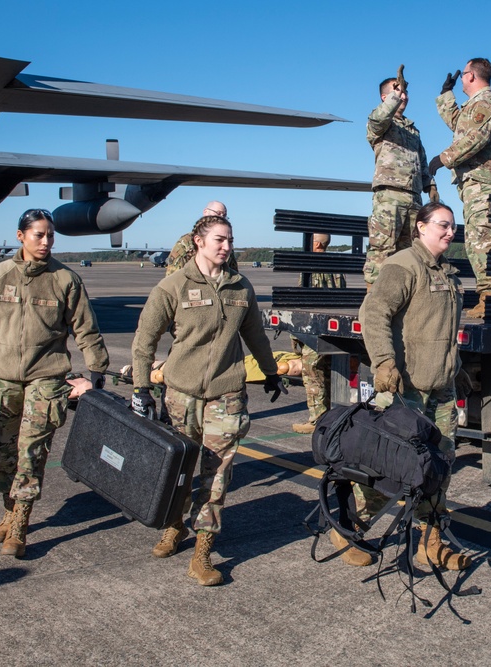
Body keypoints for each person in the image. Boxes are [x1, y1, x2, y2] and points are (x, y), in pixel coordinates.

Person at [130, 214, 287, 586]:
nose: (227, 247)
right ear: (198, 242)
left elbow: (255, 335)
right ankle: (174, 526)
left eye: (230, 240)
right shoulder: (172, 287)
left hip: (226, 395)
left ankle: (203, 550)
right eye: (219, 239)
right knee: (179, 470)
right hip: (181, 395)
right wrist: (140, 388)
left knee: (216, 476)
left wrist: (270, 372)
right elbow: (144, 342)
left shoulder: (240, 287)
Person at [0, 208, 109, 559]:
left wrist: (97, 366)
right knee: (5, 452)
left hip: (46, 376)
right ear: (21, 236)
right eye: (38, 235)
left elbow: (85, 327)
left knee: (31, 452)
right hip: (1, 378)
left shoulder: (65, 279)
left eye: (50, 235)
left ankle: (20, 524)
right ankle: (9, 509)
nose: (46, 242)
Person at [355, 201, 472, 570]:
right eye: (443, 225)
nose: (450, 232)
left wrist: (457, 369)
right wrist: (384, 362)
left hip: (441, 388)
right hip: (407, 389)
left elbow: (443, 332)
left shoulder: (449, 274)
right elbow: (374, 312)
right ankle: (352, 526)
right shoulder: (404, 265)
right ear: (421, 227)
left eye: (453, 226)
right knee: (391, 465)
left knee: (440, 465)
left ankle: (429, 540)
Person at [430, 57, 491, 318]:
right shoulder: (475, 106)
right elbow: (460, 126)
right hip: (474, 181)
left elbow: (473, 139)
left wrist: (442, 159)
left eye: (464, 73)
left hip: (483, 180)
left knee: (482, 235)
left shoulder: (487, 104)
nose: (461, 79)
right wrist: (446, 95)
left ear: (471, 76)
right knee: (479, 236)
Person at [363, 68, 438, 289]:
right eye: (398, 92)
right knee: (383, 247)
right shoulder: (380, 123)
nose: (403, 96)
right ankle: (375, 295)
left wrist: (430, 185)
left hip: (413, 197)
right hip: (390, 195)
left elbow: (421, 160)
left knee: (412, 250)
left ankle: (404, 293)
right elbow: (378, 119)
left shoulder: (413, 130)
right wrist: (395, 96)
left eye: (405, 93)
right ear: (385, 97)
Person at [292, 233, 346, 434]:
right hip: (333, 327)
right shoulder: (336, 267)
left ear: (315, 243)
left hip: (314, 328)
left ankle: (317, 419)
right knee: (330, 372)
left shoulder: (310, 266)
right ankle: (332, 417)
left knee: (312, 372)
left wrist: (295, 335)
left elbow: (302, 300)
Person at [165, 201, 238, 275]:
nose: (221, 217)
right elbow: (172, 274)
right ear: (205, 212)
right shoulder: (186, 242)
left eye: (224, 215)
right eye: (218, 213)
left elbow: (234, 272)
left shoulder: (226, 244)